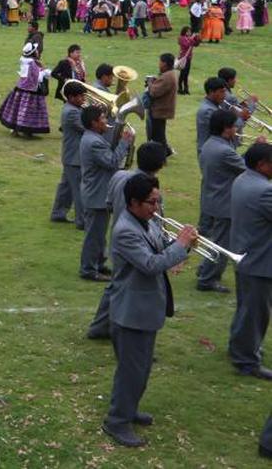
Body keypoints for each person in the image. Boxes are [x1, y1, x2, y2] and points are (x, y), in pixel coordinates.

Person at [102, 174, 194, 448]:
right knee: (132, 371)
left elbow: (160, 248)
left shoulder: (147, 221)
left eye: (158, 200)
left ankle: (128, 410)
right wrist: (180, 246)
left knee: (140, 369)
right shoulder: (126, 230)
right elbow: (151, 264)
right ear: (133, 203)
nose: (157, 207)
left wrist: (180, 246)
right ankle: (117, 421)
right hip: (131, 313)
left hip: (144, 309)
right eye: (152, 202)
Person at [87, 142, 169, 340]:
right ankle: (110, 328)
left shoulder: (119, 175)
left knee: (117, 284)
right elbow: (156, 221)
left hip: (118, 234)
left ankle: (100, 326)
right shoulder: (148, 190)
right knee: (126, 287)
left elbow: (109, 204)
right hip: (135, 241)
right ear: (159, 165)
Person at [228, 142, 272, 380]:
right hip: (260, 260)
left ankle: (241, 346)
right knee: (256, 312)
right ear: (261, 165)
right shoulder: (264, 190)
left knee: (246, 308)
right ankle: (246, 360)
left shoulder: (243, 179)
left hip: (245, 254)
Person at [197, 109, 253, 294]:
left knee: (216, 240)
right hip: (224, 203)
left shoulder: (211, 144)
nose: (236, 129)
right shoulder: (223, 151)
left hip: (213, 199)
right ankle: (207, 279)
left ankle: (205, 270)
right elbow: (248, 169)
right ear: (225, 128)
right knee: (222, 245)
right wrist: (256, 150)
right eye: (233, 126)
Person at [79, 104, 133, 281]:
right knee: (94, 236)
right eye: (103, 119)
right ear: (94, 123)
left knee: (99, 235)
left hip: (98, 193)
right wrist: (125, 143)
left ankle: (99, 264)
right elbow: (112, 161)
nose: (106, 122)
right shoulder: (94, 142)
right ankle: (88, 269)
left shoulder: (93, 137)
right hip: (97, 195)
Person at [50, 81, 87, 228]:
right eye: (80, 97)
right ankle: (82, 221)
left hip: (71, 156)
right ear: (71, 97)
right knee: (79, 190)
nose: (83, 99)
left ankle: (58, 213)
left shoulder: (73, 108)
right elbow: (86, 128)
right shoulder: (72, 112)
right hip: (75, 158)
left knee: (66, 188)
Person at [0, 42, 52, 136]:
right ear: (34, 53)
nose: (38, 52)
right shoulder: (32, 63)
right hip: (31, 91)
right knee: (28, 111)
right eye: (36, 50)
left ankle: (16, 129)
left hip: (21, 89)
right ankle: (26, 130)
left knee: (17, 109)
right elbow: (37, 77)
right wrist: (46, 72)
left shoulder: (26, 61)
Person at [145, 54, 177, 154]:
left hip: (159, 110)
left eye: (160, 62)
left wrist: (150, 83)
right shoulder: (170, 74)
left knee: (157, 136)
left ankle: (161, 156)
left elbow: (154, 92)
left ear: (165, 63)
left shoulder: (167, 77)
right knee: (159, 133)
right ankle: (166, 151)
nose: (159, 64)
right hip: (163, 109)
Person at [196, 77, 228, 156]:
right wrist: (240, 119)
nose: (224, 95)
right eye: (221, 92)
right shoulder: (208, 111)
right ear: (211, 92)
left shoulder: (215, 106)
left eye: (225, 92)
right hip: (210, 152)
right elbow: (224, 131)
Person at [176, 26, 200, 95]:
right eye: (187, 31)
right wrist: (192, 38)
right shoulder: (181, 38)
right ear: (184, 32)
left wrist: (197, 38)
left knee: (186, 74)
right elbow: (186, 45)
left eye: (190, 31)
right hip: (183, 58)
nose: (189, 33)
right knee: (182, 74)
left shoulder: (189, 38)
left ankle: (186, 89)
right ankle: (180, 88)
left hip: (188, 58)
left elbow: (196, 44)